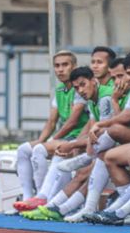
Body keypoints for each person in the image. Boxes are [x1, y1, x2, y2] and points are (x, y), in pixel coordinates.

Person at [13, 51, 88, 211]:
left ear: (74, 66)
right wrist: (42, 139)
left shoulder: (80, 89)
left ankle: (41, 197)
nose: (60, 69)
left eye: (65, 65)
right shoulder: (60, 90)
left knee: (40, 150)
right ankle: (28, 196)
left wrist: (52, 140)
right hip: (65, 137)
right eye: (57, 66)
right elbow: (51, 121)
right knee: (24, 149)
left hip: (77, 137)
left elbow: (72, 122)